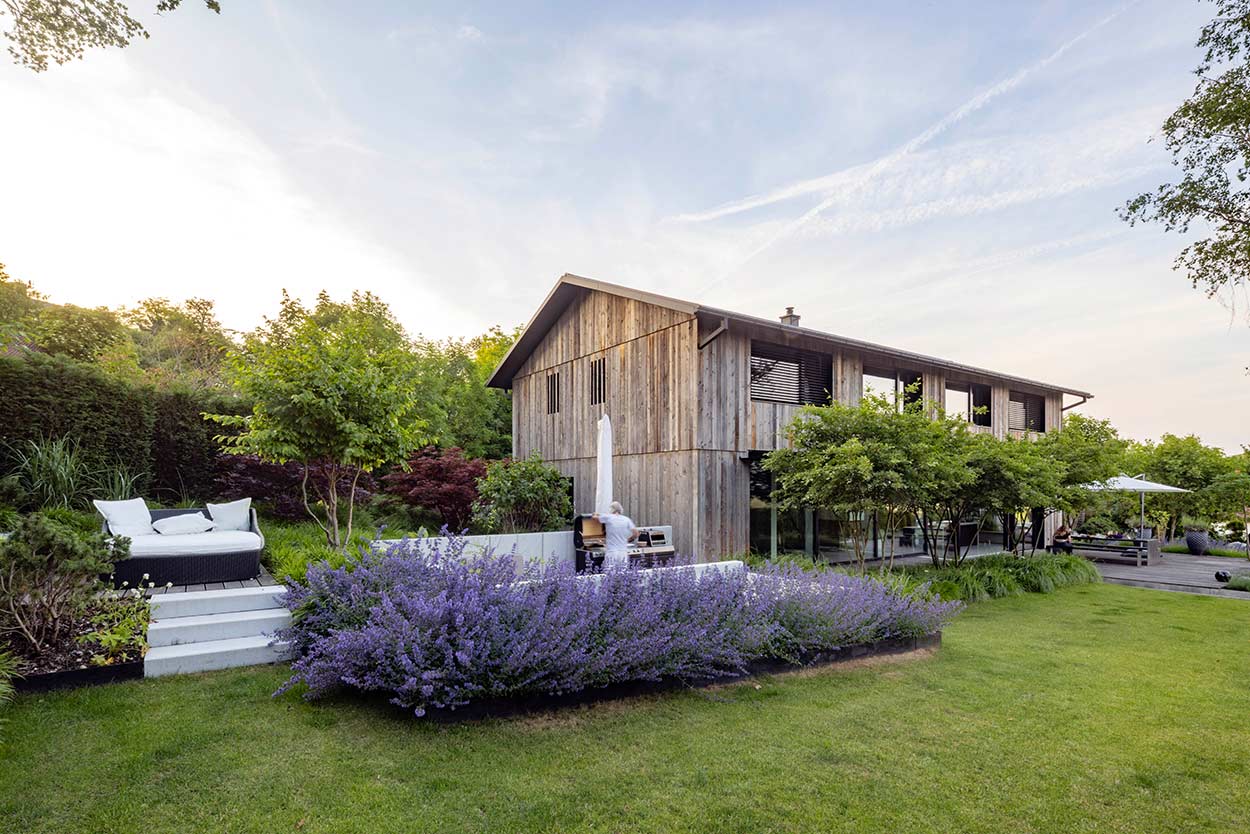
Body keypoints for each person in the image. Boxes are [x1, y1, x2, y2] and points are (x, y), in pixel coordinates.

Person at [593, 501, 638, 569]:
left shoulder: (608, 517)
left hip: (612, 552)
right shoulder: (626, 519)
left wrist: (597, 514)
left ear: (611, 509)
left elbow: (594, 517)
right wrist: (628, 540)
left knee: (610, 572)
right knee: (623, 573)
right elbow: (636, 534)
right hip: (623, 552)